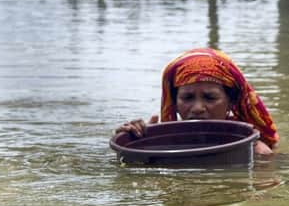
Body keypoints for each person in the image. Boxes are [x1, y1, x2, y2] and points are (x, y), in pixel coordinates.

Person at [117, 48, 279, 155]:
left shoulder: (254, 150)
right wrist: (133, 143)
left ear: (231, 101)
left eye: (210, 98)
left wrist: (256, 157)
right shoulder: (158, 141)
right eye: (187, 98)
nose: (198, 108)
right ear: (174, 102)